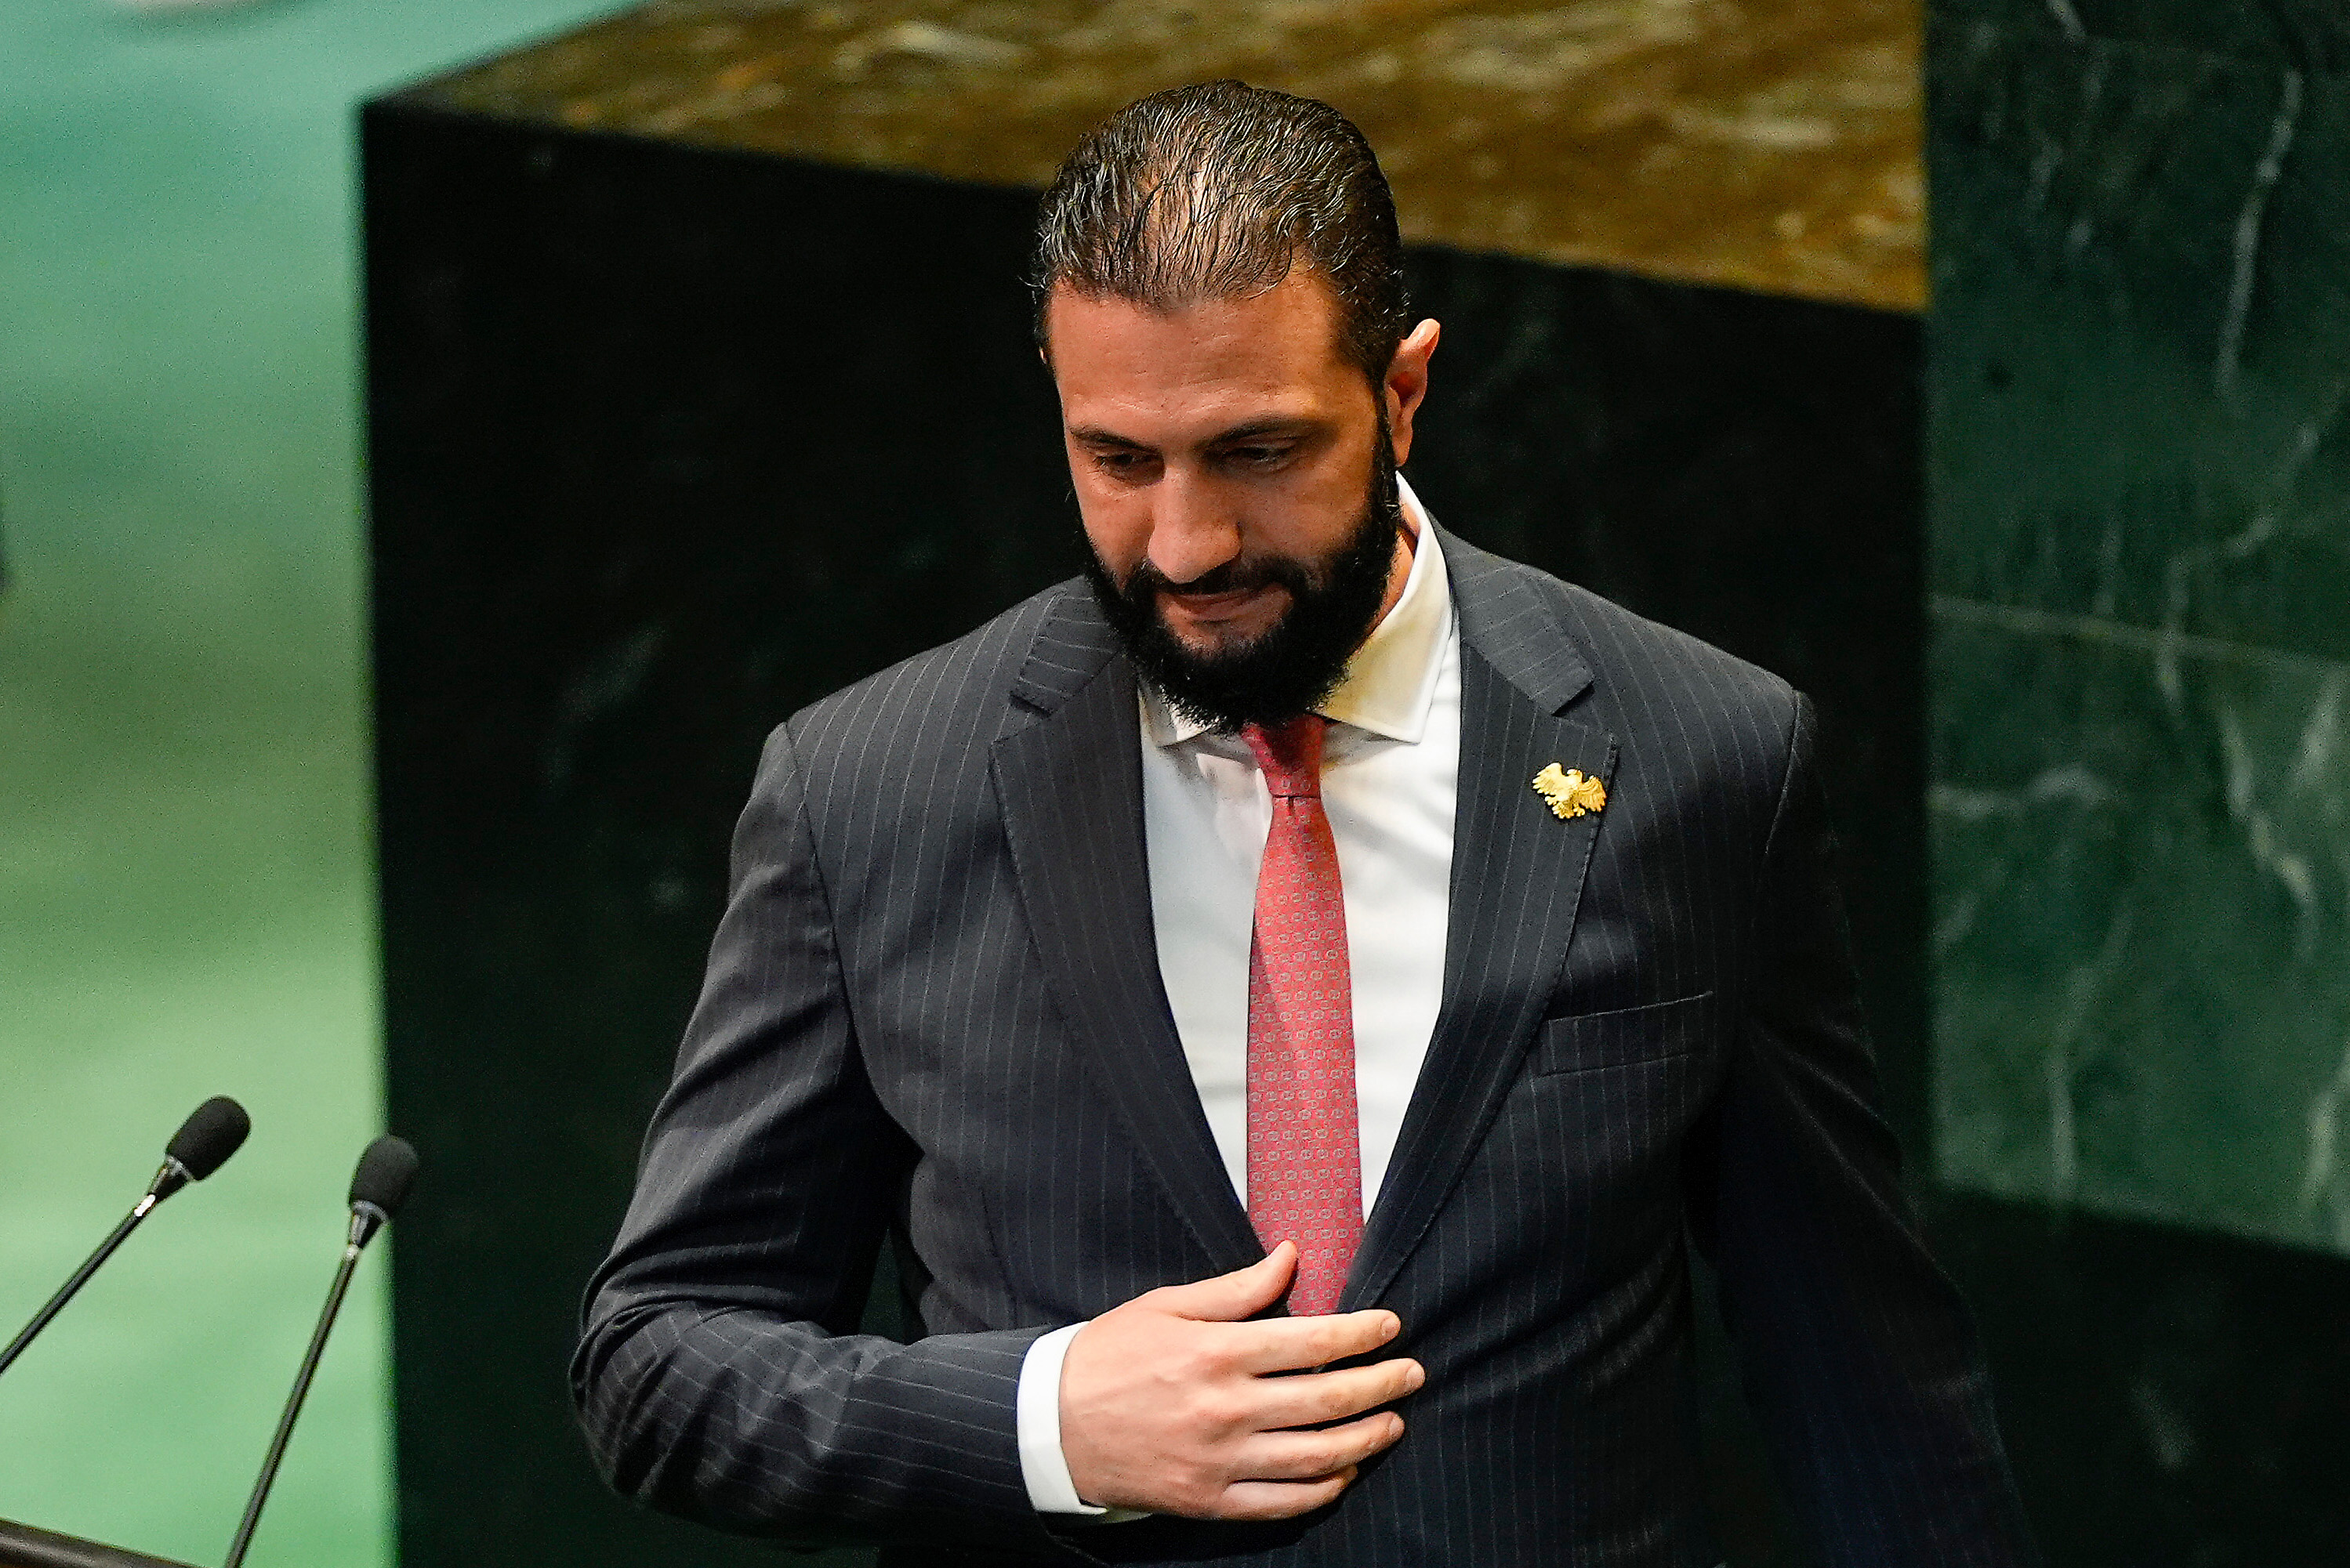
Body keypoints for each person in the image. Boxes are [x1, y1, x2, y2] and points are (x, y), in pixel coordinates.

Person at [571, 80, 2036, 1566]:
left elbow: (1863, 1375)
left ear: (1401, 392)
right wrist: (1042, 1420)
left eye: (1258, 453)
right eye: (1118, 461)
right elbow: (658, 1361)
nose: (1186, 544)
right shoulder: (870, 789)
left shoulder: (1699, 753)